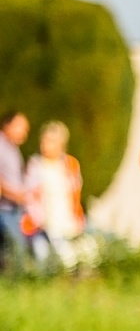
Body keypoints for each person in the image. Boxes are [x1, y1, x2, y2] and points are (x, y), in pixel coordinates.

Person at [24, 121, 88, 270]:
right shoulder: (36, 165)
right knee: (56, 255)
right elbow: (31, 197)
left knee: (83, 253)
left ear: (61, 144)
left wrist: (78, 218)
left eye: (50, 141)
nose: (44, 145)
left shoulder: (71, 164)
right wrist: (39, 220)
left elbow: (75, 193)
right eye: (43, 141)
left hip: (68, 218)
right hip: (45, 222)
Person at [0, 111, 30, 269]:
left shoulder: (13, 149)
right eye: (21, 127)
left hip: (14, 209)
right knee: (16, 247)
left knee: (8, 250)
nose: (24, 133)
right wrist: (16, 194)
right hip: (4, 208)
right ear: (7, 124)